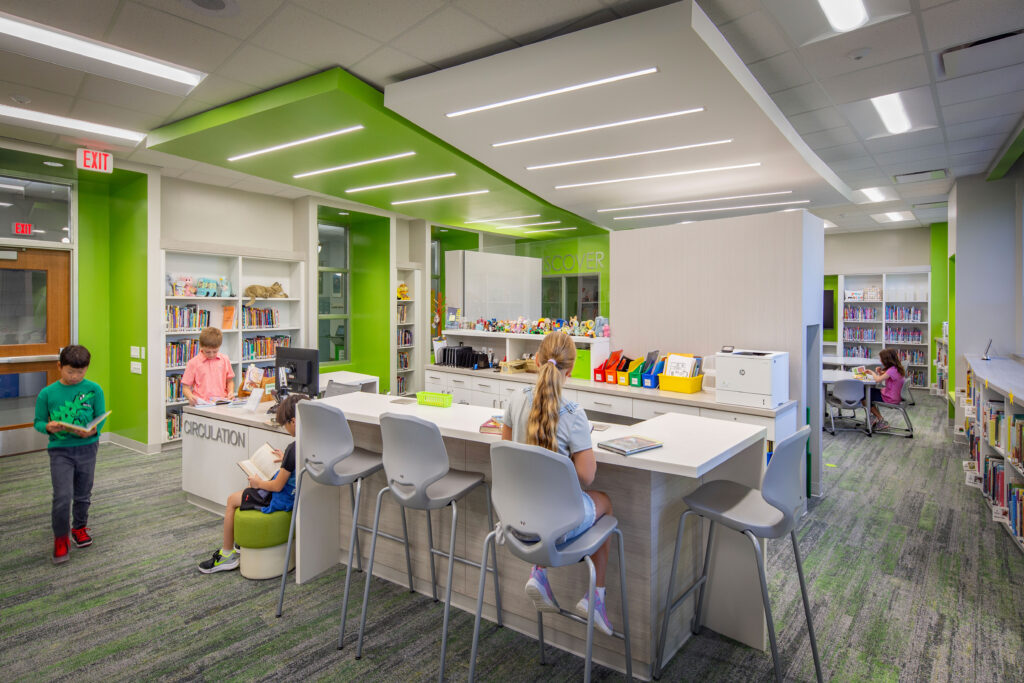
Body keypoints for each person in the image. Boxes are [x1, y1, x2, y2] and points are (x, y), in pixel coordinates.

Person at [501, 332, 616, 636]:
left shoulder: (515, 400)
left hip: (516, 523)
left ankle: (539, 572)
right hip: (556, 528)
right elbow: (587, 477)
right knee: (604, 502)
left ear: (536, 361)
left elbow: (506, 453)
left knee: (544, 501)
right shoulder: (574, 415)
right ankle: (596, 598)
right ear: (571, 371)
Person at [198, 393, 306, 574]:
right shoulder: (307, 442)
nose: (286, 429)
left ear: (294, 421)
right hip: (293, 495)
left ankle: (227, 555)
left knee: (232, 500)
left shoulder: (292, 449)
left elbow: (277, 486)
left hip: (278, 499)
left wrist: (258, 483)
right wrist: (284, 460)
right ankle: (240, 543)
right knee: (247, 493)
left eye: (286, 424)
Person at [34, 345, 107, 565]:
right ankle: (61, 538)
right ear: (59, 366)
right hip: (60, 451)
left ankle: (80, 527)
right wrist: (48, 427)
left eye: (80, 372)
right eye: (70, 372)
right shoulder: (47, 393)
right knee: (62, 495)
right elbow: (38, 422)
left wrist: (95, 429)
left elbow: (100, 416)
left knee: (83, 493)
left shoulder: (94, 389)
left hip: (87, 448)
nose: (75, 377)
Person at [181, 327, 235, 406]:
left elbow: (230, 381)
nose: (211, 355)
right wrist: (190, 396)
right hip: (201, 404)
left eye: (215, 351)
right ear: (201, 346)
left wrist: (231, 392)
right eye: (208, 352)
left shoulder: (225, 359)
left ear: (219, 346)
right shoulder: (193, 363)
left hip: (222, 403)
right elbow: (185, 388)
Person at [866, 348, 906, 430]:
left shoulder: (891, 371)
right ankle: (873, 417)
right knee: (868, 393)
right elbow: (885, 375)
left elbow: (877, 380)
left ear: (886, 360)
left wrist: (871, 372)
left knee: (864, 395)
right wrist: (879, 373)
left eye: (881, 359)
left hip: (890, 398)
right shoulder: (896, 368)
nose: (880, 360)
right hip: (895, 396)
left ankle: (880, 419)